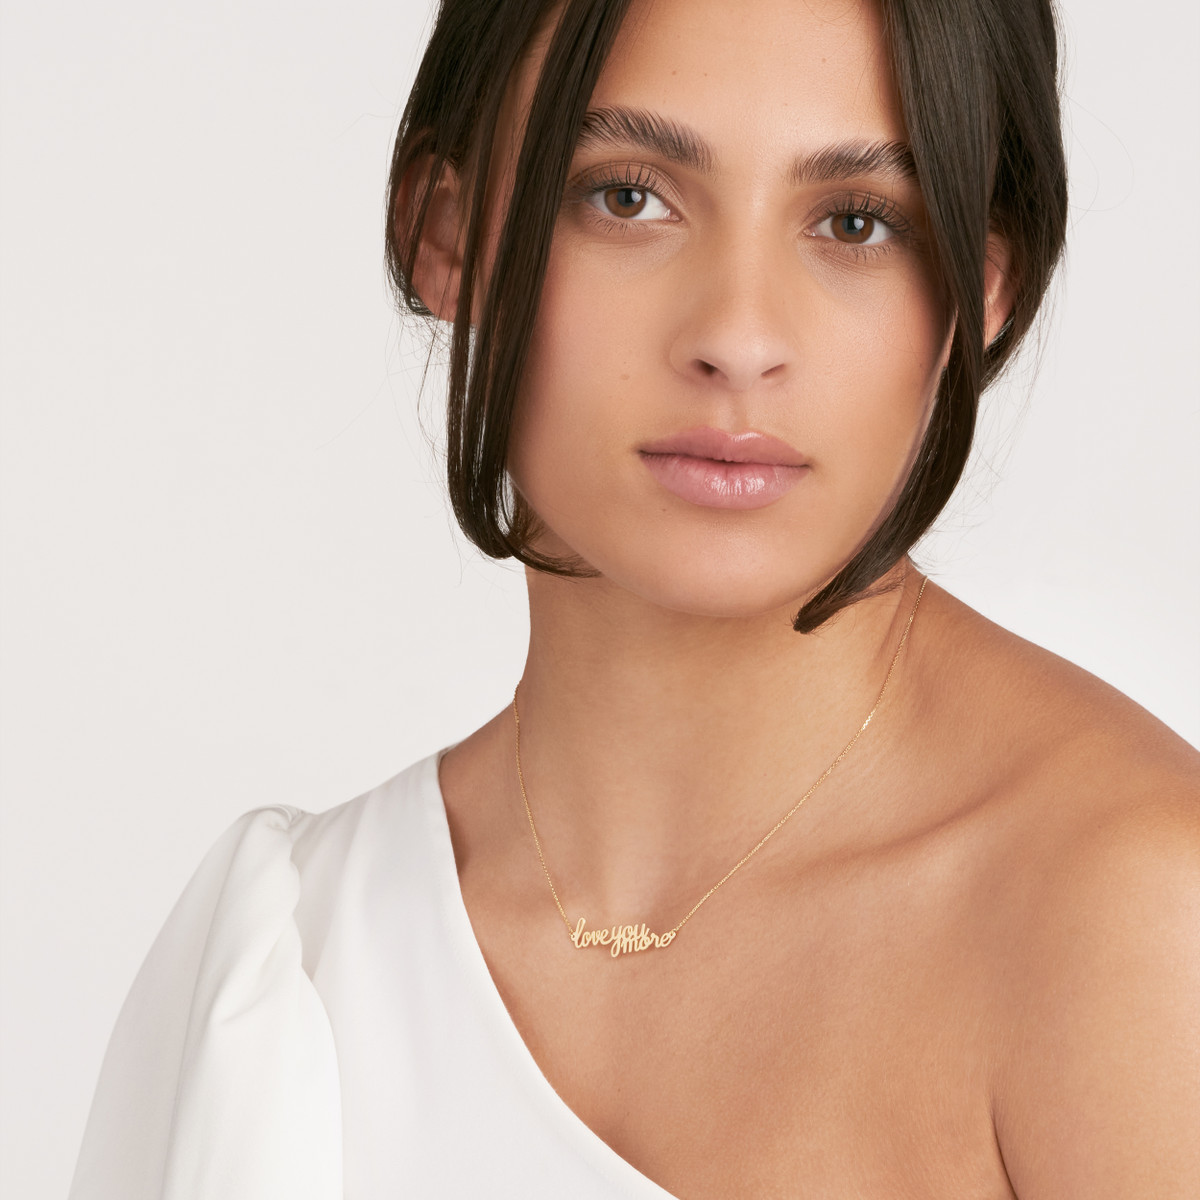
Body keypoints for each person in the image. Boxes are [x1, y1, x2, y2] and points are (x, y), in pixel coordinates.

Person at [69, 0, 1199, 1196]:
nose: (739, 338)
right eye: (627, 197)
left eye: (856, 221)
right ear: (442, 229)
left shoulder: (1132, 924)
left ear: (986, 284)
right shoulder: (280, 971)